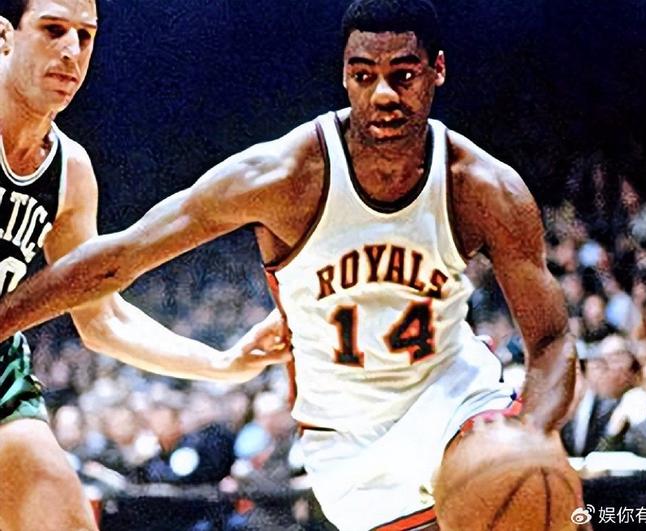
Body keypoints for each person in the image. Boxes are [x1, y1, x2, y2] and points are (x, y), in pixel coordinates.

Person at [0, 0, 577, 528]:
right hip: (347, 441)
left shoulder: (484, 187)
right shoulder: (283, 175)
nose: (383, 94)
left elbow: (551, 340)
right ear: (344, 76)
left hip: (452, 401)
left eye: (402, 75)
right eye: (364, 76)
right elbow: (121, 258)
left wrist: (532, 432)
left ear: (437, 71)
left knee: (528, 493)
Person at [0, 2, 288, 530]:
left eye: (85, 36)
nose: (71, 51)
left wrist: (222, 363)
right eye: (53, 30)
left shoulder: (70, 171)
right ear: (4, 37)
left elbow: (103, 319)